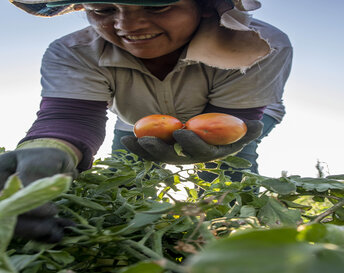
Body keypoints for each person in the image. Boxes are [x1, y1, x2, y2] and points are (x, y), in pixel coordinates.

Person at [0, 0, 292, 242]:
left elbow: (226, 124)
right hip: (138, 122)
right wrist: (50, 148)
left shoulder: (261, 45)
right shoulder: (73, 51)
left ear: (205, 6)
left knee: (223, 175)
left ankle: (229, 238)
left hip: (246, 112)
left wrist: (216, 148)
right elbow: (72, 117)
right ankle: (130, 237)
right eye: (103, 10)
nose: (127, 26)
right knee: (125, 181)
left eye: (156, 5)